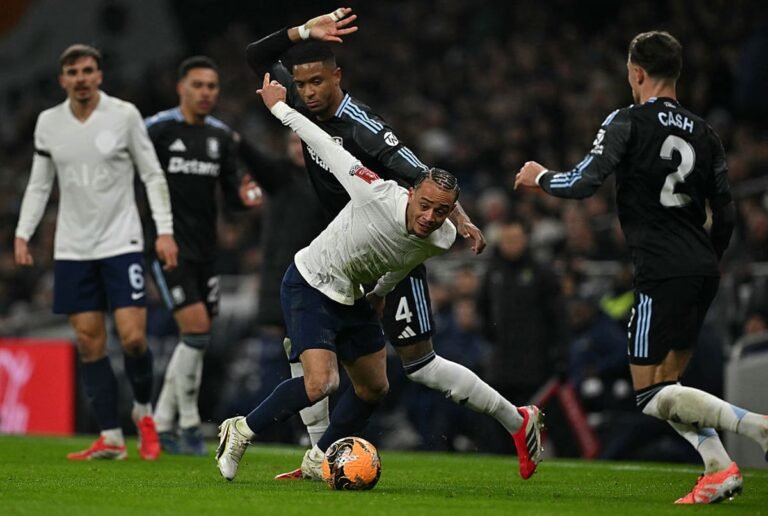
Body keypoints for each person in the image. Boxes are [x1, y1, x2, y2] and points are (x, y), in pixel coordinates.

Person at [246, 7, 542, 481]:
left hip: (394, 247)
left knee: (419, 365)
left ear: (337, 77)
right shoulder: (303, 99)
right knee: (307, 347)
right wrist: (303, 31)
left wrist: (459, 218)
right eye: (303, 86)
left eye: (318, 83)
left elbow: (423, 177)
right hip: (347, 246)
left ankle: (517, 420)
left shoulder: (361, 125)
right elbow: (254, 56)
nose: (309, 93)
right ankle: (316, 457)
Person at [515, 31, 768, 504]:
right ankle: (719, 468)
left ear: (636, 72)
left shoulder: (627, 121)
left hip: (659, 268)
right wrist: (705, 261)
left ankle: (756, 427)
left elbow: (584, 181)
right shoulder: (705, 132)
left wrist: (540, 177)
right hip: (702, 267)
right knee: (668, 389)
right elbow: (728, 214)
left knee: (648, 393)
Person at [14, 44, 178, 460]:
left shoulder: (123, 115)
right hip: (73, 249)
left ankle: (143, 414)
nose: (82, 78)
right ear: (62, 80)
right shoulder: (48, 123)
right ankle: (111, 437)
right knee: (90, 344)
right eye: (73, 72)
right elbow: (38, 184)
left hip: (122, 244)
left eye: (88, 70)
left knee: (134, 339)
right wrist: (23, 233)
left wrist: (164, 232)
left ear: (99, 75)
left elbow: (152, 174)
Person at [144, 56, 262, 455]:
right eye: (198, 85)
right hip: (168, 246)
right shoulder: (156, 130)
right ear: (181, 88)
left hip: (206, 251)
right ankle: (190, 423)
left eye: (212, 86)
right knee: (194, 330)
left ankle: (162, 422)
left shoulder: (222, 138)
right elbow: (133, 181)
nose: (206, 93)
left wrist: (246, 198)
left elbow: (233, 193)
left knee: (196, 337)